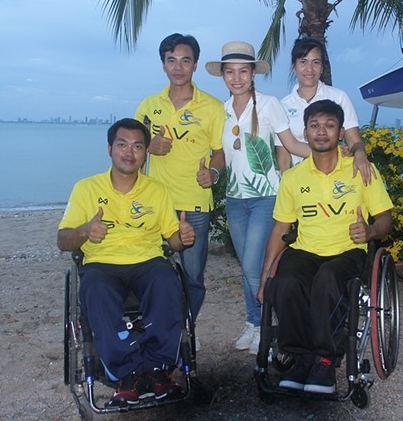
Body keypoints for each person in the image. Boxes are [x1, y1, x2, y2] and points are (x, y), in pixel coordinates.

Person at [257, 99, 393, 394]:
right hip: (306, 250)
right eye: (314, 125)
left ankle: (325, 360)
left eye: (329, 125)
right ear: (305, 132)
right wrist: (266, 278)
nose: (321, 132)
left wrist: (370, 231)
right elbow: (281, 229)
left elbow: (385, 219)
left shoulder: (361, 170)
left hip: (347, 251)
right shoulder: (293, 178)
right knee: (286, 282)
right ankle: (300, 357)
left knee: (327, 279)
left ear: (341, 132)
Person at [57, 118, 196, 407]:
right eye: (122, 145)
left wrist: (182, 238)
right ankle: (127, 374)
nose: (129, 153)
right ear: (110, 149)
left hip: (147, 261)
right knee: (95, 288)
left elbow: (172, 241)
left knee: (167, 280)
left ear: (145, 152)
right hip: (102, 264)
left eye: (137, 146)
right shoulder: (86, 188)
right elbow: (62, 240)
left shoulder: (157, 190)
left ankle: (157, 370)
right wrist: (84, 231)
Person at [205, 41, 312, 354]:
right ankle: (254, 322)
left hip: (267, 197)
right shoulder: (221, 111)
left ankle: (268, 325)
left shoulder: (269, 104)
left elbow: (291, 145)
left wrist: (330, 155)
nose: (236, 78)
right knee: (247, 266)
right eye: (230, 72)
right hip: (234, 200)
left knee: (254, 265)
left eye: (243, 71)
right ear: (223, 76)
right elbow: (217, 154)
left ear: (253, 73)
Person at [135, 33, 225, 322]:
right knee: (149, 271)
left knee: (193, 276)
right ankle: (155, 325)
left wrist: (213, 173)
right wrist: (149, 145)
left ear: (195, 65)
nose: (178, 67)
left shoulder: (212, 107)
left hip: (194, 205)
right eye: (171, 60)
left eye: (185, 60)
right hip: (154, 203)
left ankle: (184, 330)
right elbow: (130, 150)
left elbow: (220, 152)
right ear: (163, 64)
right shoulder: (149, 106)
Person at [278, 37, 373, 184]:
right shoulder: (283, 106)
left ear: (322, 67)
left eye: (316, 62)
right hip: (300, 183)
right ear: (294, 66)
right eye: (303, 62)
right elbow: (283, 157)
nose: (309, 69)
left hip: (337, 181)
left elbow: (354, 141)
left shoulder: (339, 97)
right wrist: (287, 185)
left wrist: (360, 154)